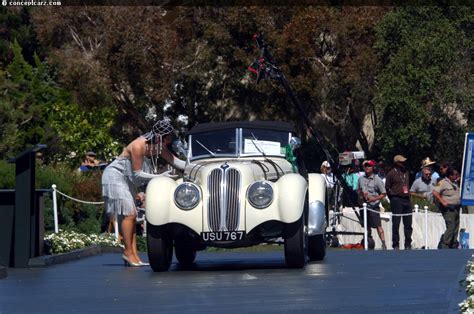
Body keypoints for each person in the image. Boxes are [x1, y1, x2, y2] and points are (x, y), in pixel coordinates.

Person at [101, 119, 185, 267]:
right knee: (129, 214)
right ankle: (127, 252)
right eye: (168, 139)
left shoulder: (159, 146)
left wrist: (196, 166)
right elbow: (137, 175)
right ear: (160, 137)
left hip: (128, 180)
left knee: (131, 217)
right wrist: (160, 176)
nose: (169, 142)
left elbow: (176, 162)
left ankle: (133, 255)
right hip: (115, 177)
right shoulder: (138, 145)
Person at [357, 160, 387, 250]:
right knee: (366, 226)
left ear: (372, 167)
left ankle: (383, 244)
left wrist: (374, 198)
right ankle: (369, 242)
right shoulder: (360, 179)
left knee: (378, 226)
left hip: (373, 206)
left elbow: (383, 193)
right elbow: (358, 190)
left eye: (369, 166)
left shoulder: (377, 179)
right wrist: (361, 194)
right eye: (365, 166)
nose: (367, 167)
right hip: (363, 205)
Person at [385, 154, 412, 250]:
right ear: (397, 163)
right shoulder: (391, 173)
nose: (404, 163)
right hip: (396, 199)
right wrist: (392, 197)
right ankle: (395, 244)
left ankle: (408, 243)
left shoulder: (406, 172)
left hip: (407, 199)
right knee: (396, 223)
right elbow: (387, 188)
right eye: (402, 162)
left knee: (408, 224)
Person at [432, 166, 461, 249]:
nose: (456, 176)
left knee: (456, 226)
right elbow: (435, 192)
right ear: (450, 175)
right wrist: (442, 201)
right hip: (448, 208)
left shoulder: (455, 182)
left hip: (456, 207)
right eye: (455, 175)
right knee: (451, 226)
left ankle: (453, 243)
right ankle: (445, 244)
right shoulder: (443, 182)